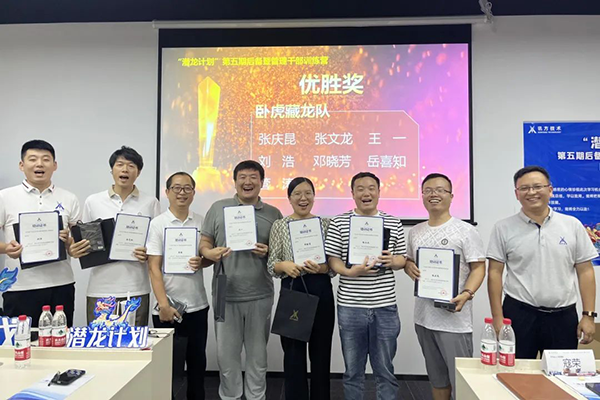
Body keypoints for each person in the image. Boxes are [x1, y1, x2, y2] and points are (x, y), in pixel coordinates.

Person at [487, 165, 597, 358]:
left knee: (560, 372)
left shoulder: (572, 225)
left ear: (550, 190)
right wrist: (497, 317)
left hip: (563, 317)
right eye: (524, 188)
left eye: (537, 186)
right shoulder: (503, 228)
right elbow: (494, 273)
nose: (531, 192)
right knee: (516, 372)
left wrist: (588, 315)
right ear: (517, 194)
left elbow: (585, 271)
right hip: (518, 313)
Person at [200, 160, 282, 400]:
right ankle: (230, 396)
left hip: (260, 294)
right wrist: (209, 253)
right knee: (226, 356)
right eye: (242, 177)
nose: (248, 182)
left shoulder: (273, 214)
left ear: (262, 182)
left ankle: (256, 396)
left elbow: (281, 254)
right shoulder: (218, 208)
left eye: (253, 177)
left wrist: (268, 251)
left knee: (258, 357)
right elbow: (205, 241)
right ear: (234, 181)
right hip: (225, 293)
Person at [325, 171, 407, 400]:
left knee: (385, 369)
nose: (366, 193)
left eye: (371, 188)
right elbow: (333, 259)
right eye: (360, 189)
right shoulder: (339, 222)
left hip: (385, 306)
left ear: (379, 192)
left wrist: (392, 261)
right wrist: (349, 271)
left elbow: (402, 259)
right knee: (353, 370)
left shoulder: (393, 222)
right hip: (350, 306)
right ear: (352, 193)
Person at [404, 173, 485, 400]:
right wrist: (408, 267)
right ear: (422, 196)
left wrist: (467, 293)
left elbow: (479, 267)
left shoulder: (466, 230)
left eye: (440, 190)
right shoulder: (415, 231)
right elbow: (409, 261)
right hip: (423, 318)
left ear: (451, 196)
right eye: (428, 190)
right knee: (437, 378)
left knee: (461, 381)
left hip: (454, 320)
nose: (434, 194)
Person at [69, 146, 160, 325]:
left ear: (138, 172)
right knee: (100, 339)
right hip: (100, 288)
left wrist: (147, 252)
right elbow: (85, 240)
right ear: (112, 170)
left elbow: (156, 244)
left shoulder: (150, 202)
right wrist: (76, 249)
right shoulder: (93, 201)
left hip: (136, 288)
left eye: (131, 166)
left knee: (133, 340)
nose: (125, 169)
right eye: (120, 164)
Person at [0, 140, 81, 326]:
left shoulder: (69, 198)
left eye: (45, 159)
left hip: (61, 285)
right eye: (33, 159)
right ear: (22, 165)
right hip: (19, 286)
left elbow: (77, 243)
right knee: (22, 341)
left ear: (54, 165)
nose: (39, 164)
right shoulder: (4, 197)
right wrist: (6, 248)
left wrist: (69, 243)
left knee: (60, 339)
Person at [267, 177, 334, 400]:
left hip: (321, 289)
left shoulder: (325, 224)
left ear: (314, 197)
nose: (303, 198)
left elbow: (333, 264)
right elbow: (271, 264)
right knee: (293, 355)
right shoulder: (280, 225)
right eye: (297, 193)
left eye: (308, 193)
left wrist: (322, 267)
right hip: (293, 289)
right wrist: (284, 266)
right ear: (289, 198)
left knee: (321, 353)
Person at [147, 171, 210, 400]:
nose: (182, 193)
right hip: (167, 309)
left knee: (197, 365)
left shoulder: (202, 221)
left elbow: (208, 258)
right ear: (167, 192)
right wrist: (163, 305)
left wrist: (202, 262)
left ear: (193, 193)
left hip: (197, 305)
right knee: (167, 369)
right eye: (176, 188)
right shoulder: (158, 224)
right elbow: (153, 267)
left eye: (187, 188)